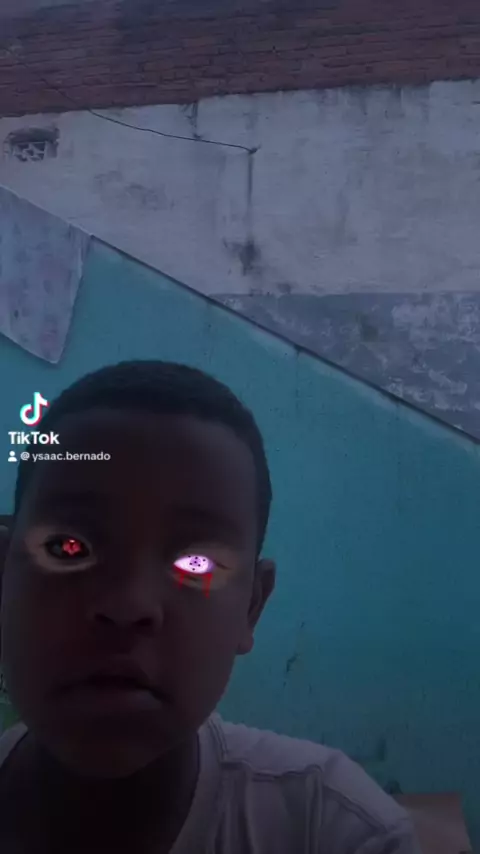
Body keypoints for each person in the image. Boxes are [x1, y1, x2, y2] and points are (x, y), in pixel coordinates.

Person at [0, 361, 420, 853]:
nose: (128, 605)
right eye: (68, 548)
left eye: (196, 563)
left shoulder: (330, 829)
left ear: (251, 606)